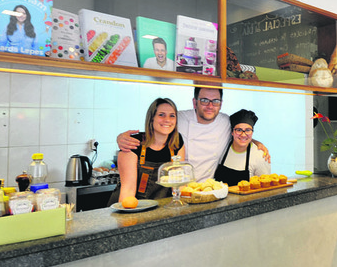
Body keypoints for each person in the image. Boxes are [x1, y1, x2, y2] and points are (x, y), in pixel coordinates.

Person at [117, 87, 269, 182]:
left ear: (221, 104)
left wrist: (256, 142)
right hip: (178, 190)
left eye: (215, 101)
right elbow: (158, 128)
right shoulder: (179, 118)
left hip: (208, 191)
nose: (210, 106)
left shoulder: (224, 121)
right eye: (204, 100)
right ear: (194, 102)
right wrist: (121, 138)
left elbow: (241, 133)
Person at [108, 97, 185, 206]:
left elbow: (178, 185)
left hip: (161, 207)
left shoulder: (177, 142)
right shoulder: (133, 143)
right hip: (131, 207)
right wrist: (128, 219)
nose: (167, 120)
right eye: (161, 115)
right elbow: (128, 191)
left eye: (172, 115)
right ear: (152, 118)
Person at [214, 109, 270, 185]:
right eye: (239, 130)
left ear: (252, 132)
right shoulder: (223, 146)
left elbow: (265, 188)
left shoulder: (260, 156)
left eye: (248, 130)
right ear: (232, 132)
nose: (243, 134)